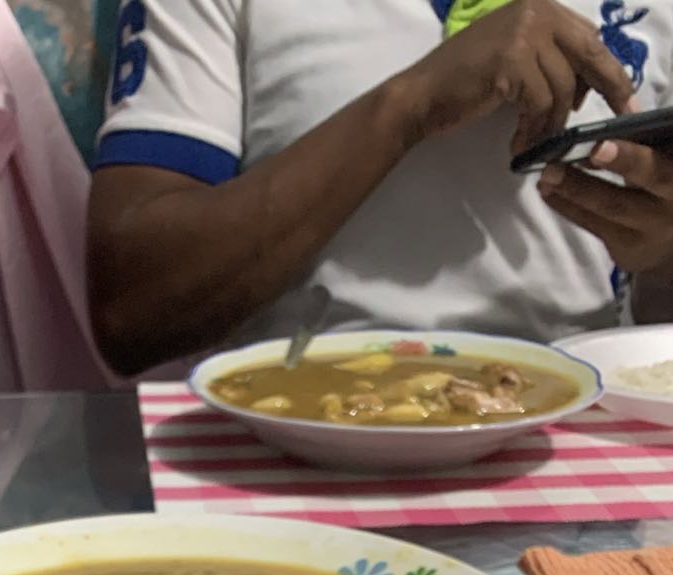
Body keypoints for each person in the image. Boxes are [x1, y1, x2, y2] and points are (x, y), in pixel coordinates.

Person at [87, 0, 673, 375]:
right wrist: (410, 104)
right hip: (289, 446)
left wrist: (664, 259)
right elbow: (133, 310)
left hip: (585, 455)